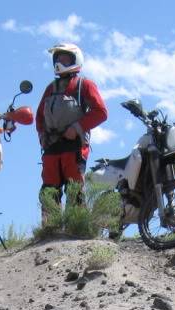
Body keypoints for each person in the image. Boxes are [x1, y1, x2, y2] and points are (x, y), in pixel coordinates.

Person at [35, 42, 108, 221]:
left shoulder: (85, 85)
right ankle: (50, 231)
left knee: (74, 189)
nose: (60, 62)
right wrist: (42, 136)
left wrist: (77, 128)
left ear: (75, 60)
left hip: (74, 146)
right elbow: (39, 117)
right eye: (58, 58)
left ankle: (76, 229)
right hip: (52, 146)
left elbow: (101, 112)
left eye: (65, 58)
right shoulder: (51, 88)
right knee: (49, 189)